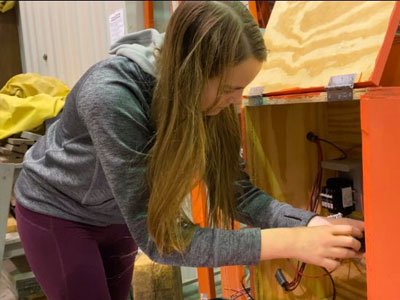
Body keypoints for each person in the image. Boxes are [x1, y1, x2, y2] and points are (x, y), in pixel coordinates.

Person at [14, 1, 364, 299]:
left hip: (117, 214)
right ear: (192, 71)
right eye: (229, 88)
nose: (235, 101)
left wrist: (311, 224)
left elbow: (236, 192)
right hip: (58, 211)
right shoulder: (110, 95)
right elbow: (163, 242)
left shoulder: (206, 101)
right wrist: (290, 242)